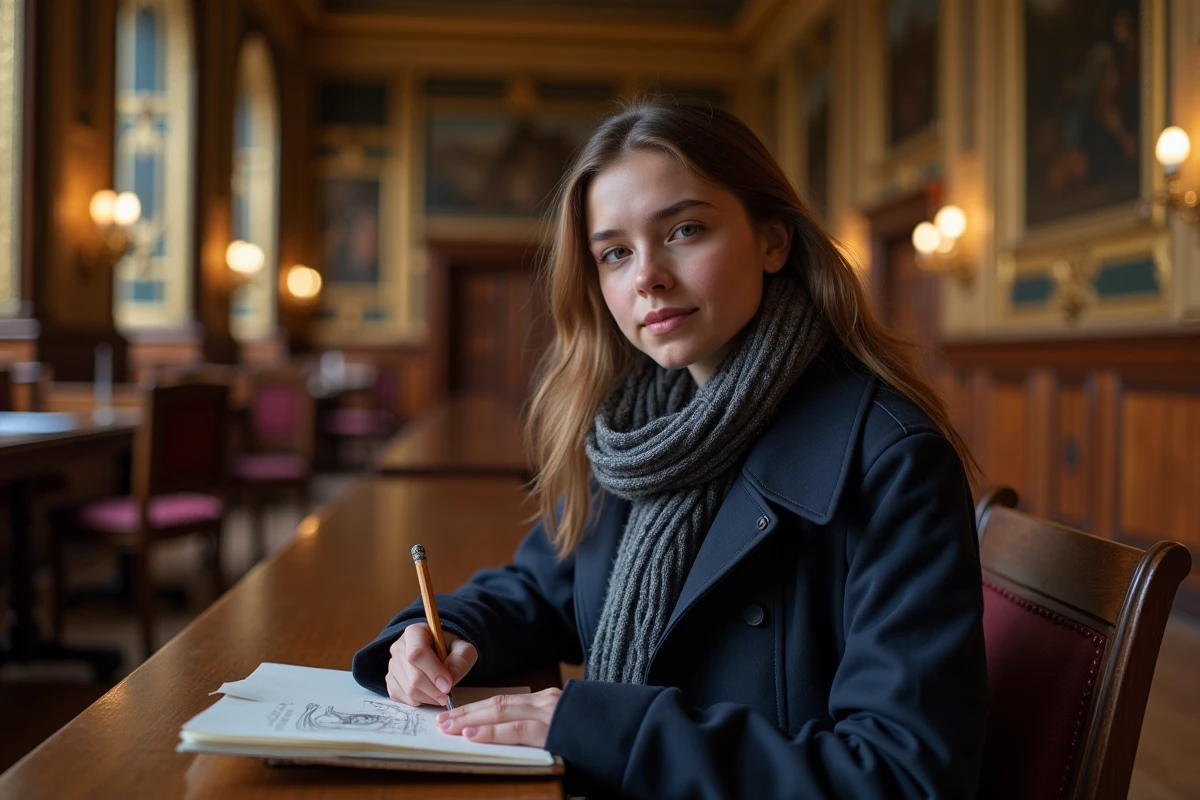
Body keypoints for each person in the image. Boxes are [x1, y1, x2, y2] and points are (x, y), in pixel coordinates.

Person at [352, 100, 988, 799]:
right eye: (615, 252)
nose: (646, 276)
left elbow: (901, 776)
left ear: (772, 241)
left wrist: (604, 727)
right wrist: (433, 635)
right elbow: (545, 587)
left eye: (684, 230)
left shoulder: (892, 459)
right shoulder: (640, 429)